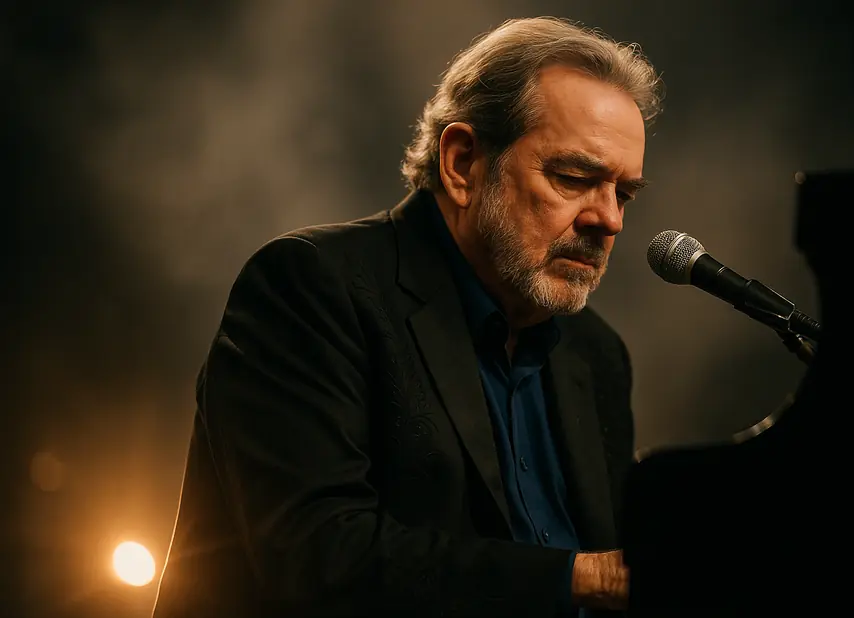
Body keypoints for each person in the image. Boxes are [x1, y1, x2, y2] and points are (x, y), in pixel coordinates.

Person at [151, 16, 662, 618]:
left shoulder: (597, 353)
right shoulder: (310, 285)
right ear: (463, 162)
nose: (610, 220)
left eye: (623, 193)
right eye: (575, 178)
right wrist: (580, 578)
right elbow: (319, 557)